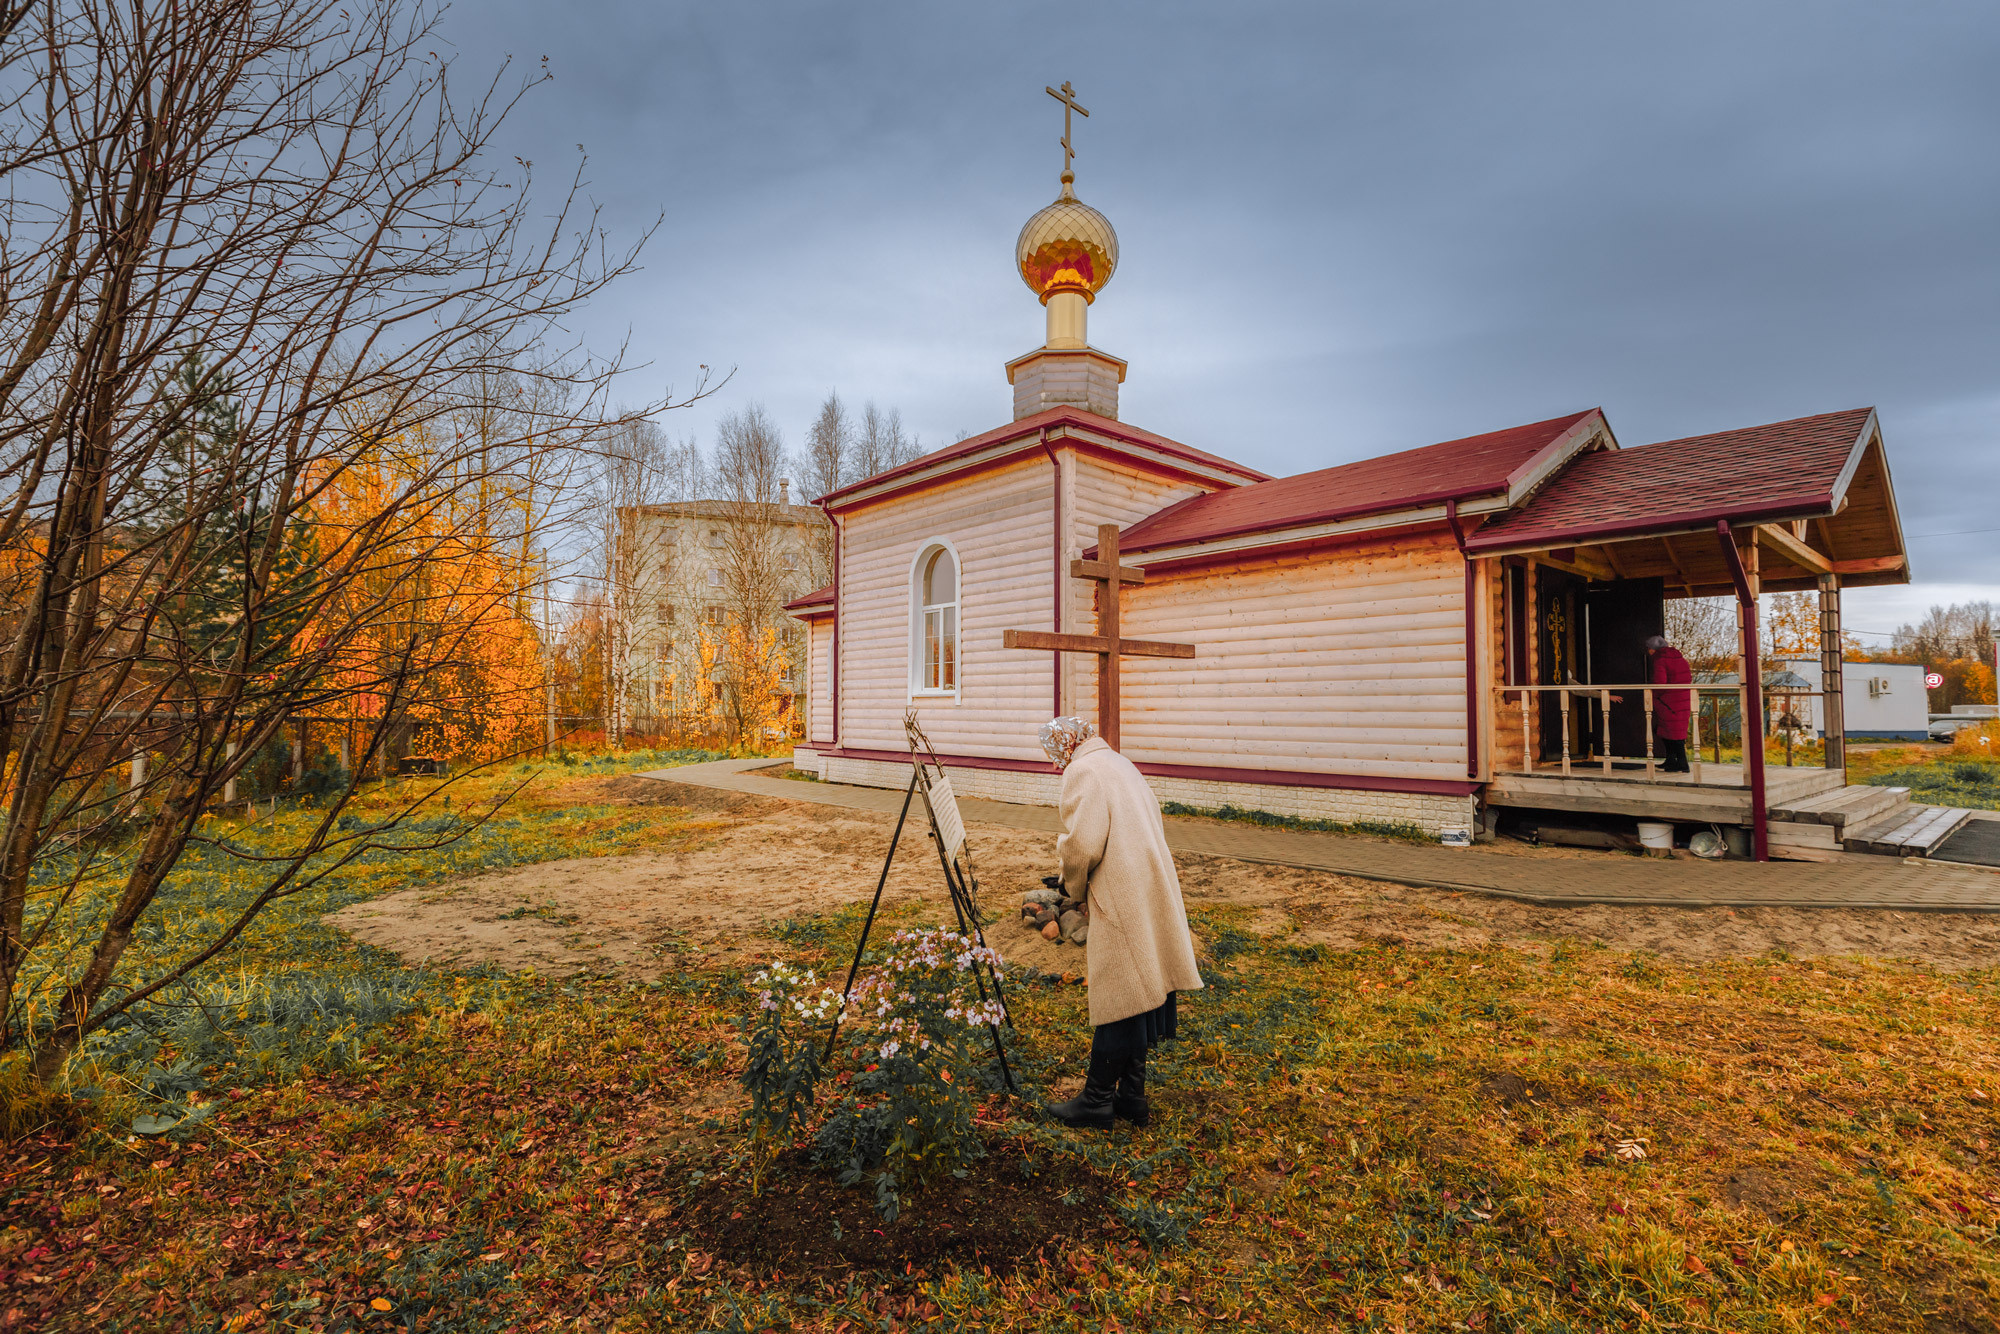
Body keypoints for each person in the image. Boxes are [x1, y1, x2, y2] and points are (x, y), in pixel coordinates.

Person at [1036, 717, 1204, 1131]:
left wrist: (1071, 887)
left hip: (1120, 891)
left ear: (1064, 746)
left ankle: (1096, 1101)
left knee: (1120, 994)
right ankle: (1132, 1096)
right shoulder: (1119, 762)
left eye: (1055, 755)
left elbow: (1083, 844)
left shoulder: (1083, 771)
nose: (1057, 764)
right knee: (1141, 985)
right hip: (1146, 880)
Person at [1646, 633, 1694, 773]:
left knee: (1672, 733)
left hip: (1668, 701)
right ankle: (1672, 761)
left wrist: (1652, 695)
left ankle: (1682, 763)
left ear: (1654, 648)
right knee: (1671, 732)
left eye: (1649, 648)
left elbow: (1660, 683)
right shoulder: (1680, 659)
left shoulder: (1660, 660)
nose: (1648, 651)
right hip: (1681, 701)